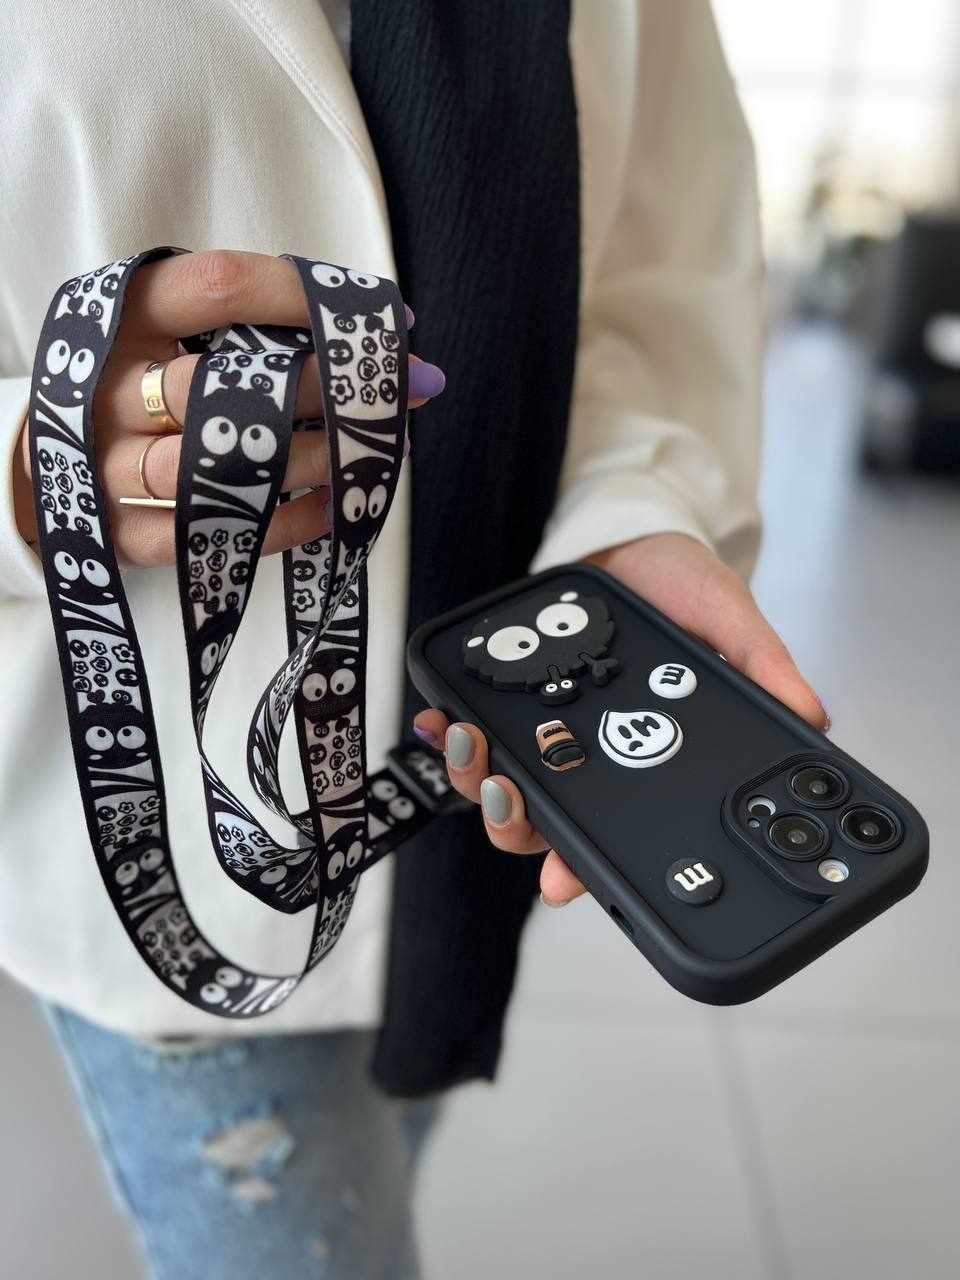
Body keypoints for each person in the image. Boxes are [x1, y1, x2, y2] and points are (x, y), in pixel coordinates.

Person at [0, 1, 827, 1276]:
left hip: (461, 824)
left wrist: (631, 516)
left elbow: (656, 276)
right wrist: (33, 455)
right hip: (149, 844)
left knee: (394, 1149)